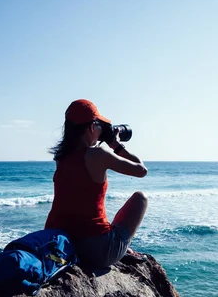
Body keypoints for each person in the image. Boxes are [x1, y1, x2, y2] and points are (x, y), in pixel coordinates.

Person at [45, 99, 148, 268]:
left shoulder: (61, 157)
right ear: (92, 127)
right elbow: (141, 170)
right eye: (99, 125)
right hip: (97, 252)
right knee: (140, 198)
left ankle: (121, 247)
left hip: (59, 247)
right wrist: (115, 144)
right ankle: (122, 248)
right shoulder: (98, 154)